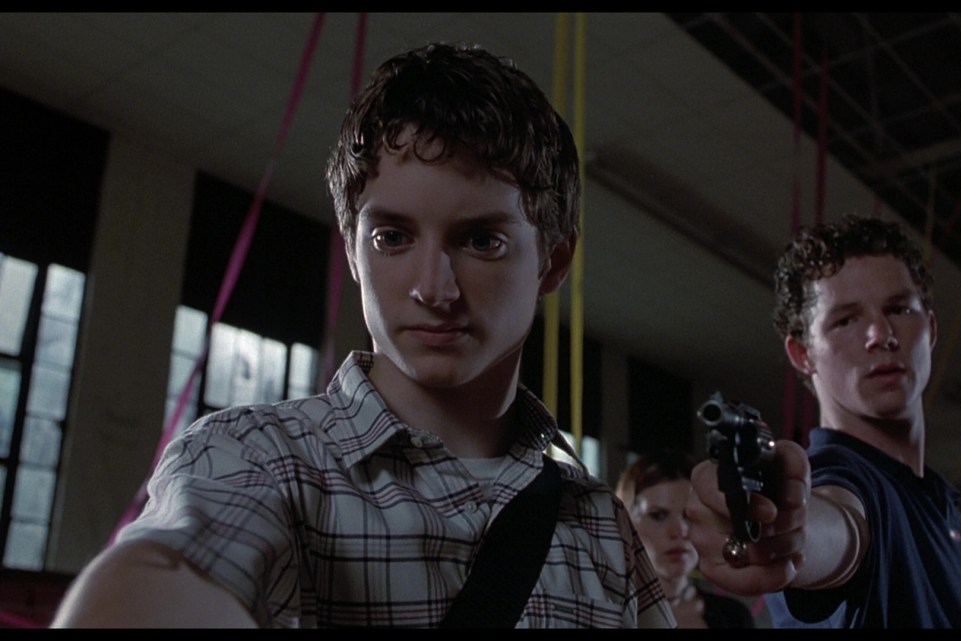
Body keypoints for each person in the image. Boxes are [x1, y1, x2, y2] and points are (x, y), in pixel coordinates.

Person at [51, 42, 673, 629]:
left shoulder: (601, 526)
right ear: (352, 251)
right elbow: (161, 576)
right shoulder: (261, 458)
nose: (433, 288)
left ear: (553, 262)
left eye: (482, 241)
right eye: (391, 238)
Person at [684, 214, 961, 627]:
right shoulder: (841, 481)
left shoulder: (958, 530)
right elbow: (836, 524)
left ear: (930, 329)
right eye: (845, 320)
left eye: (899, 309)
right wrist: (785, 531)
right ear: (802, 353)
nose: (881, 334)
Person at [616, 449, 757, 628]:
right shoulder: (608, 617)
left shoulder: (733, 616)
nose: (680, 531)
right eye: (658, 516)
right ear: (627, 524)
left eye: (689, 515)